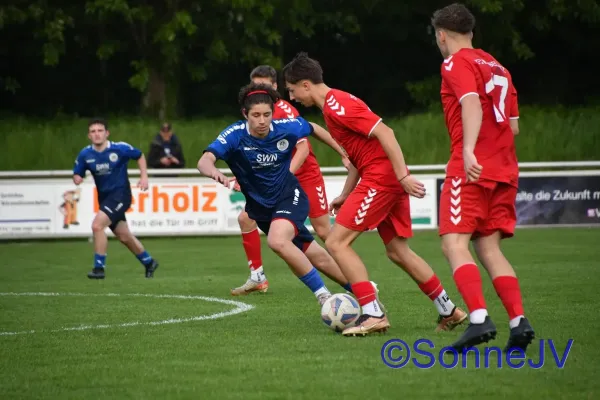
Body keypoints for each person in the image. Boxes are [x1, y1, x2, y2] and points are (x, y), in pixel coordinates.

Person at [283, 52, 466, 336]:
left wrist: (402, 176)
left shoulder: (338, 104)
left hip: (382, 178)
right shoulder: (332, 108)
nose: (293, 98)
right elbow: (359, 155)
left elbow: (386, 133)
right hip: (382, 176)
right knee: (398, 251)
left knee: (336, 242)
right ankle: (448, 309)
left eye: (293, 90)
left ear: (306, 84)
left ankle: (373, 313)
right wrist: (346, 193)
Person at [431, 3, 535, 352]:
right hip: (504, 168)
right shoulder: (499, 67)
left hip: (473, 168)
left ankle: (478, 319)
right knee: (489, 247)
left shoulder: (454, 63)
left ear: (441, 35)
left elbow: (471, 103)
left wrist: (468, 149)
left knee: (453, 244)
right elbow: (514, 126)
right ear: (471, 32)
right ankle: (519, 322)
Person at [197, 83, 355, 306]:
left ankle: (324, 297)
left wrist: (344, 154)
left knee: (277, 241)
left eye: (267, 114)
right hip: (261, 209)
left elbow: (313, 128)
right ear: (245, 114)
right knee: (315, 254)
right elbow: (204, 161)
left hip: (289, 196)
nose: (262, 121)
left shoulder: (286, 127)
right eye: (256, 115)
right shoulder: (234, 135)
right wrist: (214, 172)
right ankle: (362, 290)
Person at [230, 65, 348, 296]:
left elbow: (303, 148)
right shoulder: (258, 113)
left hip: (305, 175)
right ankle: (257, 276)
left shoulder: (284, 111)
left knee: (324, 231)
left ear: (275, 87)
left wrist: (285, 174)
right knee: (246, 218)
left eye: (264, 85)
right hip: (280, 180)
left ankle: (354, 276)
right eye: (255, 85)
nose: (259, 90)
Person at [73, 118, 159, 279]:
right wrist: (77, 177)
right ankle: (149, 262)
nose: (97, 134)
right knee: (124, 236)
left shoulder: (119, 148)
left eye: (100, 131)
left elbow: (139, 155)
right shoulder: (85, 154)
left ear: (107, 133)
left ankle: (99, 268)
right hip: (105, 199)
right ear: (89, 136)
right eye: (93, 131)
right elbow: (78, 172)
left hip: (121, 196)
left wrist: (144, 177)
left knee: (97, 226)